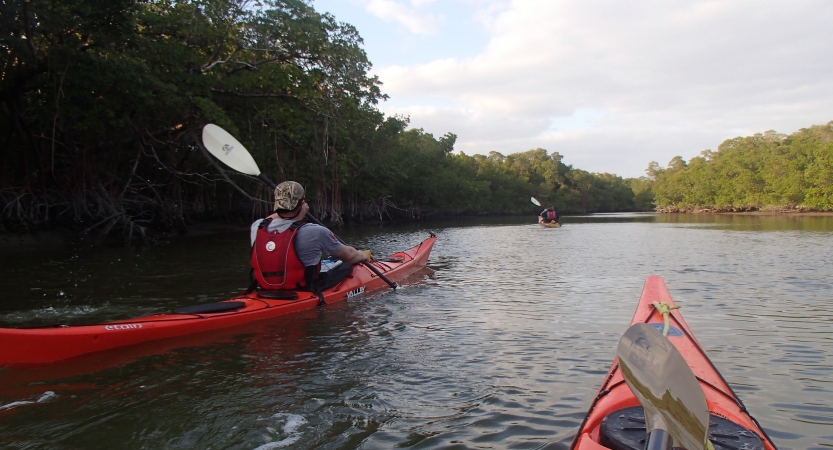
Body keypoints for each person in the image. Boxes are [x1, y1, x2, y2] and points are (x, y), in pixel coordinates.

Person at [250, 181, 371, 294]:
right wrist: (363, 255)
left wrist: (288, 206)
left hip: (265, 290)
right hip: (305, 289)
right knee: (347, 264)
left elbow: (271, 219)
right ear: (302, 203)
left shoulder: (257, 227)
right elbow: (349, 256)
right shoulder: (314, 231)